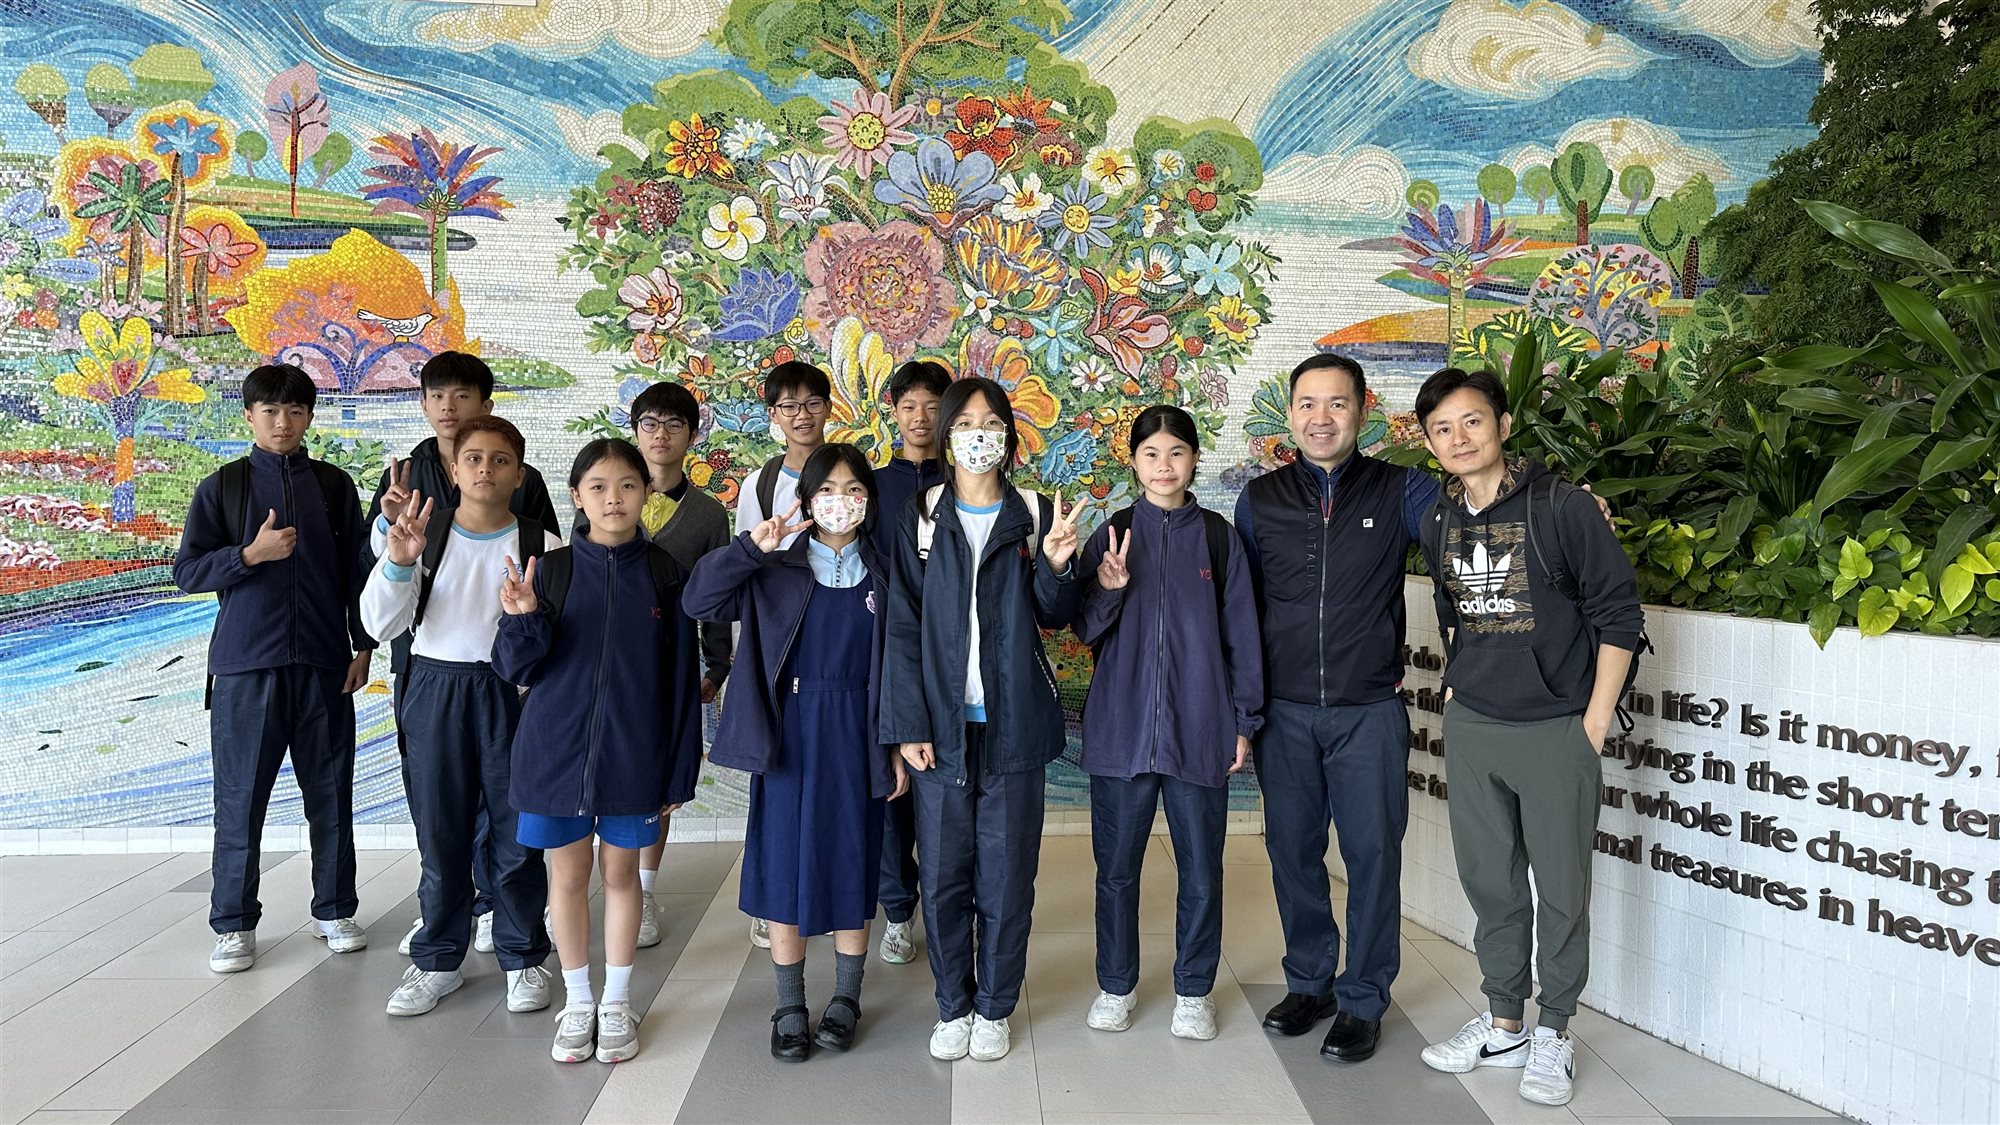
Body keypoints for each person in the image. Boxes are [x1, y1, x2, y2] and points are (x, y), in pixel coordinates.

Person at [1234, 353, 1612, 1064]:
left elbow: (1483, 515)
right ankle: (1309, 981)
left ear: (1363, 411)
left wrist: (1574, 507)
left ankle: (1362, 997)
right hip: (1285, 710)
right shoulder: (1259, 501)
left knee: (1373, 856)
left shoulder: (1405, 491)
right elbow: (1240, 607)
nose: (1322, 418)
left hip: (1370, 709)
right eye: (1308, 404)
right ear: (1290, 414)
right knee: (1292, 851)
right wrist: (1241, 710)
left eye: (1338, 403)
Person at [1411, 368, 1642, 1107]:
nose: (1459, 438)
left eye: (1472, 421)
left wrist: (1595, 721)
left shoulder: (1563, 506)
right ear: (1429, 442)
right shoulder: (1439, 518)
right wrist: (1456, 686)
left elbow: (1619, 614)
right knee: (1492, 882)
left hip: (1556, 728)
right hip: (1476, 724)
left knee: (1562, 889)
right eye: (1442, 428)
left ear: (1504, 425)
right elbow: (1451, 610)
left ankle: (1556, 1030)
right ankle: (1505, 1020)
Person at [879, 376, 1084, 1063]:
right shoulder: (919, 516)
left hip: (1015, 724)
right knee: (942, 878)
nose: (978, 434)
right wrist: (908, 725)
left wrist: (1057, 567)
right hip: (939, 730)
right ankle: (952, 1004)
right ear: (945, 436)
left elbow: (1053, 616)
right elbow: (902, 628)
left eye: (991, 422)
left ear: (1009, 435)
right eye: (964, 422)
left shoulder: (1035, 512)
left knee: (1007, 875)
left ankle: (995, 1005)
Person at [684, 443, 908, 1062]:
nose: (841, 501)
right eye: (827, 490)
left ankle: (846, 997)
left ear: (869, 501)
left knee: (854, 857)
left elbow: (905, 668)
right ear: (806, 500)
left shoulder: (888, 574)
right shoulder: (773, 569)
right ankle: (789, 1004)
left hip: (861, 728)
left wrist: (896, 745)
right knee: (784, 862)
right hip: (790, 730)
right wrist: (751, 548)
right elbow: (698, 601)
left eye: (854, 489)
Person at [492, 439, 703, 1065]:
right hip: (555, 755)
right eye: (599, 487)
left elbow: (680, 682)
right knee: (566, 876)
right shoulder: (551, 572)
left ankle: (616, 1001)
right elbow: (516, 668)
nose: (614, 499)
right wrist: (523, 617)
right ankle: (578, 1000)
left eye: (628, 485)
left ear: (647, 493)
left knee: (620, 876)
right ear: (577, 497)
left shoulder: (666, 574)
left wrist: (679, 770)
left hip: (634, 757)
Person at [172, 363, 373, 973]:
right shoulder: (223, 487)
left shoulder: (334, 487)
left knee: (331, 795)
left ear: (309, 417)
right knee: (239, 801)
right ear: (249, 416)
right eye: (270, 411)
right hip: (245, 669)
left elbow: (357, 573)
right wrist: (249, 555)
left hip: (323, 664)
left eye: (294, 411)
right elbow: (187, 573)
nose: (282, 423)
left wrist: (363, 645)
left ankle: (335, 910)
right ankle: (234, 924)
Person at [361, 415, 559, 1018]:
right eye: (473, 459)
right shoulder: (423, 533)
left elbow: (560, 640)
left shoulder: (544, 545)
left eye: (500, 460)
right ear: (453, 470)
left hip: (512, 696)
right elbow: (380, 624)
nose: (485, 469)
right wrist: (399, 562)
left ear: (519, 474)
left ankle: (522, 957)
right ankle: (438, 960)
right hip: (435, 687)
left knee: (517, 833)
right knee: (440, 830)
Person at [1075, 405, 1262, 1041]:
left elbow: (1243, 636)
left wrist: (1243, 720)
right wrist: (1109, 588)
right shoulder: (1114, 533)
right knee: (1116, 871)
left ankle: (1193, 990)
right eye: (1151, 454)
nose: (1164, 466)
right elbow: (1084, 630)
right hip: (1120, 727)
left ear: (1194, 459)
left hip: (1200, 726)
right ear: (1133, 462)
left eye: (1176, 452)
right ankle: (1115, 985)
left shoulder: (1218, 537)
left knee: (1201, 872)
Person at [589, 382, 735, 950]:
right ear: (635, 430)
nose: (661, 434)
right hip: (604, 660)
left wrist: (716, 665)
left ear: (692, 435)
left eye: (675, 424)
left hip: (671, 661)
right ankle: (585, 885)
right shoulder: (603, 497)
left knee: (657, 772)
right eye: (650, 422)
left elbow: (717, 593)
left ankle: (645, 889)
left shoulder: (706, 515)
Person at [733, 359, 832, 949]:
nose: (802, 415)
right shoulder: (761, 484)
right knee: (775, 779)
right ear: (773, 415)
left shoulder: (848, 471)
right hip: (780, 648)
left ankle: (831, 892)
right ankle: (772, 900)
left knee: (833, 784)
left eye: (812, 403)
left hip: (835, 643)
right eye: (789, 406)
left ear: (829, 408)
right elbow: (747, 564)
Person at [870, 359, 949, 966]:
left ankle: (952, 907)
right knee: (892, 791)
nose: (920, 418)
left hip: (953, 657)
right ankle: (898, 912)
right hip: (887, 650)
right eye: (909, 406)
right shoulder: (871, 487)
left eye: (932, 407)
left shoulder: (970, 483)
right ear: (893, 412)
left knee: (948, 789)